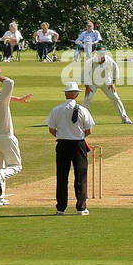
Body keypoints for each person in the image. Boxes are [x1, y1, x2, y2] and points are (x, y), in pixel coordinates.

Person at [0, 64, 32, 206]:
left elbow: (5, 98)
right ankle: (1, 176)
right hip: (6, 138)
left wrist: (20, 99)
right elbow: (10, 82)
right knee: (16, 166)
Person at [46, 81, 95, 215]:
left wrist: (63, 135)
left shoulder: (56, 109)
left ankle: (60, 207)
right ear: (77, 95)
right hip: (78, 144)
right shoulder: (83, 110)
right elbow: (88, 130)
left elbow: (51, 129)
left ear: (66, 94)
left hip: (62, 144)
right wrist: (76, 136)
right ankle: (81, 207)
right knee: (81, 175)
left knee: (62, 176)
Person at [83, 50, 132, 124]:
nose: (101, 55)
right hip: (93, 82)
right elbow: (85, 73)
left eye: (103, 53)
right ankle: (81, 119)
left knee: (116, 98)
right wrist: (87, 86)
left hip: (106, 82)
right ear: (97, 53)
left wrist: (113, 83)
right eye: (100, 53)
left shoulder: (109, 60)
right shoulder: (90, 61)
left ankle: (125, 118)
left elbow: (116, 70)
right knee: (88, 99)